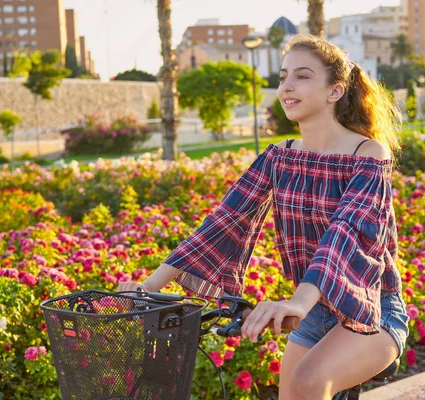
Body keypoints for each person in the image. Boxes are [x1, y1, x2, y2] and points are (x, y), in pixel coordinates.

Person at [118, 34, 409, 400]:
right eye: (284, 76)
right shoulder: (279, 157)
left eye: (302, 76)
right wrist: (148, 289)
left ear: (335, 91)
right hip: (314, 312)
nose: (287, 86)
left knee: (307, 385)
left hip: (371, 311)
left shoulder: (368, 153)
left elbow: (344, 233)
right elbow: (223, 221)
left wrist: (297, 303)